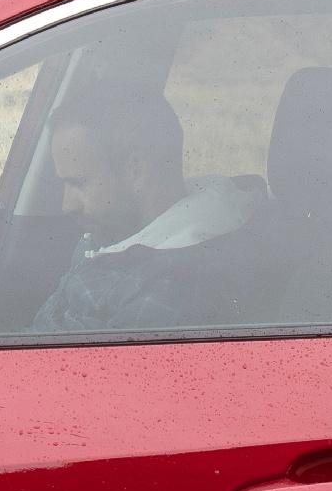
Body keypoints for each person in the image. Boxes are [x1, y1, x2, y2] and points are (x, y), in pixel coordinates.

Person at [32, 79, 260, 332]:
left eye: (79, 183)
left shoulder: (172, 289)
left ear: (136, 170)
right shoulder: (114, 230)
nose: (66, 205)